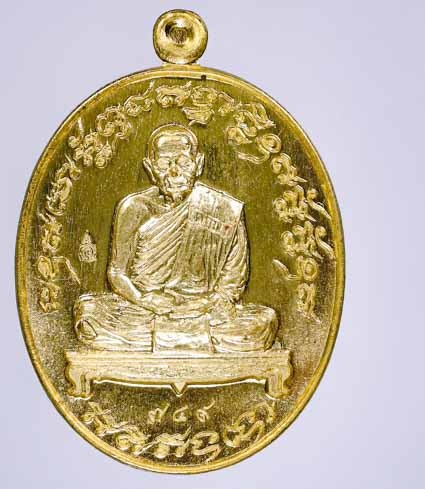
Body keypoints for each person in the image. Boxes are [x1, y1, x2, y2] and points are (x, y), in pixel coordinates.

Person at [73, 124, 277, 354]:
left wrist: (206, 304)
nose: (174, 172)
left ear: (198, 164)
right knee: (88, 315)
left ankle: (164, 339)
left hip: (203, 311)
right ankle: (190, 339)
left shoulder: (224, 210)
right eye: (164, 164)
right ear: (150, 168)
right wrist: (143, 298)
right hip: (144, 310)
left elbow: (231, 285)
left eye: (183, 163)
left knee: (261, 323)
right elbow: (117, 272)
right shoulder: (134, 208)